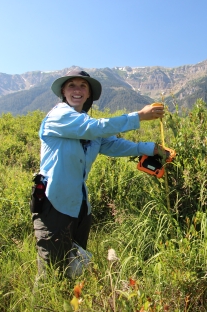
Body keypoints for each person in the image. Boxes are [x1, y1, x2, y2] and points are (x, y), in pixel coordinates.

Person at [31, 69, 165, 279]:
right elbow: (94, 128)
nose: (77, 90)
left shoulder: (87, 125)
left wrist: (151, 149)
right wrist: (139, 116)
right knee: (51, 272)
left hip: (79, 207)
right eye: (72, 85)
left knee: (74, 267)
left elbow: (113, 145)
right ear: (64, 92)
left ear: (89, 93)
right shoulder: (59, 116)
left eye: (83, 86)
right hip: (54, 206)